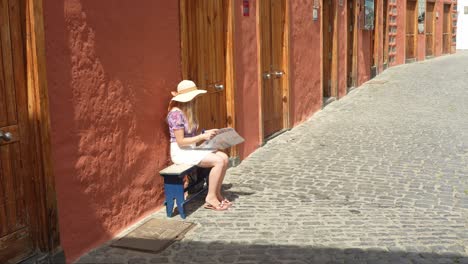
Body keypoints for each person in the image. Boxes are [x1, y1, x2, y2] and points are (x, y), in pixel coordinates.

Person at [167, 80, 231, 211]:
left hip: (191, 150)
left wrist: (206, 133)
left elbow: (190, 136)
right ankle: (210, 197)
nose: (196, 99)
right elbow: (181, 141)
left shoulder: (187, 112)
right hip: (181, 153)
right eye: (194, 97)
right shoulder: (175, 114)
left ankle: (217, 193)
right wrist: (202, 137)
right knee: (218, 161)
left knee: (224, 157)